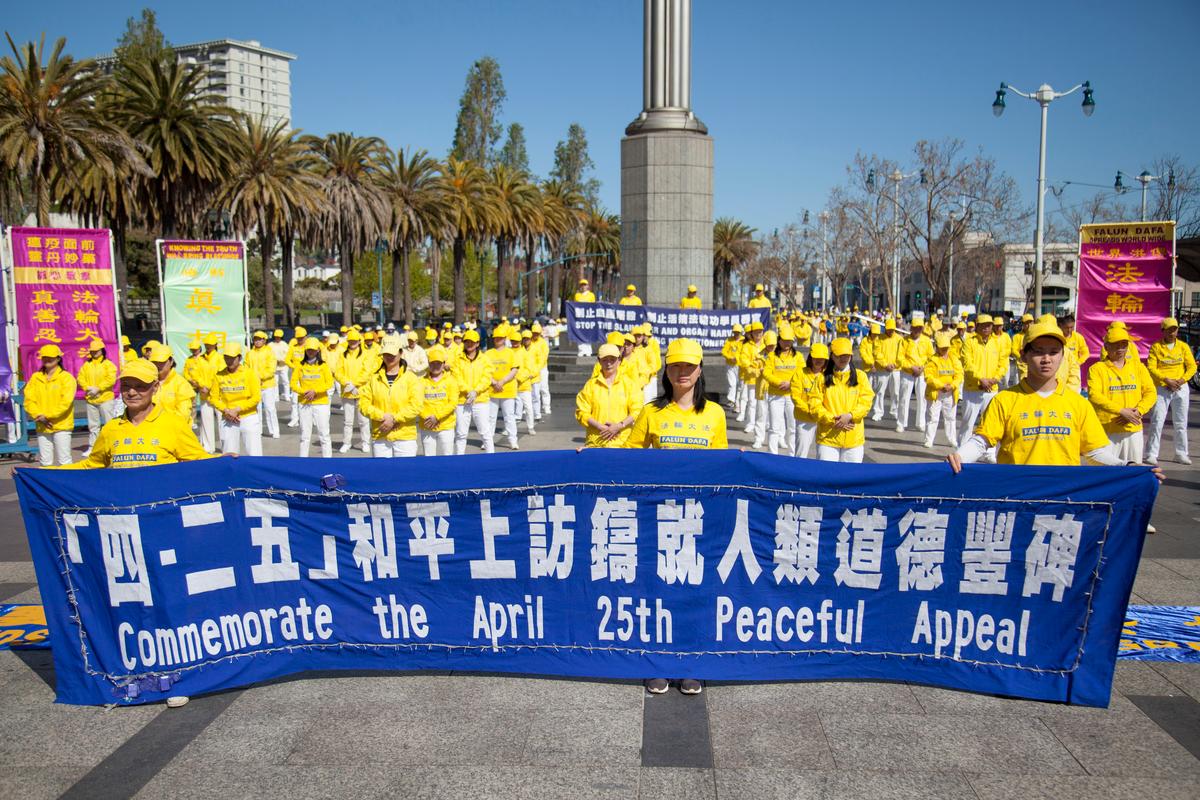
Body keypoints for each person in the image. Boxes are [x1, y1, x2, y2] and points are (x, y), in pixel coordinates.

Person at [947, 320, 1166, 488]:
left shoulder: (1078, 404)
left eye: (1053, 352)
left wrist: (1127, 466)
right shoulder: (1005, 400)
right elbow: (981, 442)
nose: (1046, 359)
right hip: (1016, 493)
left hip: (1063, 496)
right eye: (1038, 352)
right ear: (1023, 356)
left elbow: (1095, 453)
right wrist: (959, 457)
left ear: (1063, 356)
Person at [627, 337, 725, 697]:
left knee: (695, 591)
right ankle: (656, 662)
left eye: (689, 366)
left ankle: (691, 664)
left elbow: (722, 467)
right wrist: (587, 456)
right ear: (665, 370)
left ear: (700, 370)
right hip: (659, 517)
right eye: (675, 366)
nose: (682, 373)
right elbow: (628, 459)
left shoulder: (714, 414)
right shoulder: (651, 412)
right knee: (657, 590)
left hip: (698, 520)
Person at [1086, 325, 1154, 465]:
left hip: (1133, 429)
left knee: (1133, 470)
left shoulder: (1138, 367)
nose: (1121, 349)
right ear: (1106, 347)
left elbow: (1150, 392)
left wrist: (1139, 410)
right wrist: (1121, 411)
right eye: (1116, 345)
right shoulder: (1097, 369)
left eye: (1124, 344)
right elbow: (1094, 395)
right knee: (1106, 473)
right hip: (1107, 429)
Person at [814, 338, 874, 462]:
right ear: (832, 356)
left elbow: (866, 402)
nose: (843, 358)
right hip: (828, 438)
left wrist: (850, 416)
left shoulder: (860, 377)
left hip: (853, 438)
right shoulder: (821, 378)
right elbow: (815, 405)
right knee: (827, 478)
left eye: (847, 355)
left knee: (851, 479)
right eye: (839, 355)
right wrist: (833, 420)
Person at [1145, 316, 1196, 465]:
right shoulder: (1156, 347)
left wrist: (1181, 380)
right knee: (1157, 421)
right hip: (1162, 387)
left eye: (1174, 329)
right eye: (1169, 330)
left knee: (1181, 422)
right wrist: (1166, 379)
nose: (1172, 333)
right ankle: (1151, 454)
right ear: (1163, 331)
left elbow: (1192, 366)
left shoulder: (1183, 346)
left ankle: (1181, 453)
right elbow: (1151, 367)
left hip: (1180, 387)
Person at [359, 337, 420, 457]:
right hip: (380, 435)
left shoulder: (411, 378)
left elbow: (416, 406)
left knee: (405, 474)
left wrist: (394, 419)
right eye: (386, 353)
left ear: (401, 352)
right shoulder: (373, 379)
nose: (389, 357)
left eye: (393, 353)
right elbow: (363, 404)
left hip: (405, 437)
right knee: (382, 475)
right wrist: (382, 416)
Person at [575, 343, 643, 447]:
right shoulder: (591, 385)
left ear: (619, 360)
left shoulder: (629, 384)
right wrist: (599, 426)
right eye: (605, 360)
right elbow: (582, 412)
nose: (609, 363)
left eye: (612, 359)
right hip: (596, 442)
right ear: (599, 361)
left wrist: (619, 426)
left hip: (622, 443)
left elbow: (637, 411)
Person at [957, 314, 1006, 459]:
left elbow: (1003, 363)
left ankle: (989, 453)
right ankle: (962, 454)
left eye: (989, 325)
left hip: (991, 389)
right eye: (983, 325)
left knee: (990, 423)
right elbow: (967, 363)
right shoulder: (969, 342)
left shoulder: (997, 342)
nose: (986, 328)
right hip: (973, 389)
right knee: (968, 422)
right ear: (977, 326)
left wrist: (994, 379)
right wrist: (981, 379)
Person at [24, 344, 78, 466]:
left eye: (51, 357)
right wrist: (38, 415)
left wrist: (47, 416)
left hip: (61, 425)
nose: (47, 360)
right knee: (45, 461)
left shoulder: (67, 378)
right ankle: (45, 485)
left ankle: (67, 484)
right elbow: (29, 399)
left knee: (64, 461)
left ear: (58, 358)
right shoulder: (35, 378)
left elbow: (66, 402)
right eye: (44, 357)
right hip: (42, 425)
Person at [208, 342, 263, 456]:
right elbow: (213, 398)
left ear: (239, 358)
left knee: (254, 454)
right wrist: (227, 411)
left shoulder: (250, 374)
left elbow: (256, 397)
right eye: (227, 357)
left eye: (232, 358)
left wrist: (238, 409)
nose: (229, 361)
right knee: (229, 455)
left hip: (248, 417)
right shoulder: (219, 375)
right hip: (228, 418)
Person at [451, 329, 494, 455]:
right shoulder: (457, 359)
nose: (469, 344)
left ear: (477, 343)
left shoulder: (485, 359)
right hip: (462, 400)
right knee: (461, 433)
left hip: (480, 400)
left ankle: (492, 458)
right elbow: (456, 377)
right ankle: (460, 460)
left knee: (485, 432)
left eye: (472, 342)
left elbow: (487, 378)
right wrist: (468, 391)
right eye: (467, 342)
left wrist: (476, 391)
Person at [290, 338, 334, 458]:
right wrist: (304, 392)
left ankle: (327, 461)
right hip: (305, 403)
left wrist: (315, 391)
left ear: (317, 351)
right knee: (305, 435)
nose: (311, 352)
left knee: (324, 434)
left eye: (313, 350)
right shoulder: (299, 365)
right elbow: (293, 384)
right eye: (308, 349)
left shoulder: (324, 366)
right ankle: (303, 461)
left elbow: (329, 383)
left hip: (321, 403)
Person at [415, 345, 459, 455]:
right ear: (428, 364)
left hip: (446, 426)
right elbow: (416, 403)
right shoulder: (421, 382)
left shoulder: (451, 381)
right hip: (427, 425)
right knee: (429, 460)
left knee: (447, 458)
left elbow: (452, 403)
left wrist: (437, 417)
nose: (436, 366)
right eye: (432, 363)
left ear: (444, 364)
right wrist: (428, 418)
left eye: (438, 363)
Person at [336, 330, 375, 453]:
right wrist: (347, 383)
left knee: (363, 420)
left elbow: (367, 372)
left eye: (355, 341)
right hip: (347, 391)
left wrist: (355, 384)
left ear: (359, 341)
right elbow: (338, 372)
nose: (353, 343)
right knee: (347, 421)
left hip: (361, 390)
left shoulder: (365, 354)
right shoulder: (343, 355)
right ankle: (346, 443)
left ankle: (365, 443)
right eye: (350, 341)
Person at [763, 324, 799, 455]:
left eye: (789, 340)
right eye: (784, 340)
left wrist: (790, 384)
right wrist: (779, 383)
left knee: (793, 427)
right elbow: (766, 373)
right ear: (779, 340)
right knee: (774, 427)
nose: (787, 343)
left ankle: (792, 456)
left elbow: (802, 373)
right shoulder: (772, 356)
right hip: (775, 395)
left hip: (792, 395)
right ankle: (772, 455)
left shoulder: (798, 356)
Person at [76, 338, 117, 454]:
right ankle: (92, 447)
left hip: (105, 399)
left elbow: (111, 379)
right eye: (92, 351)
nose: (94, 353)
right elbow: (80, 377)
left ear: (102, 350)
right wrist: (87, 388)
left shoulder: (108, 364)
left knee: (109, 424)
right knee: (93, 426)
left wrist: (99, 388)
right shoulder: (86, 365)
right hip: (91, 399)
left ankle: (111, 446)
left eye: (96, 351)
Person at [922, 333, 962, 448]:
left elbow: (959, 375)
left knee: (950, 417)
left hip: (950, 393)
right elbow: (928, 377)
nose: (944, 350)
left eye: (946, 347)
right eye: (942, 347)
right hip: (936, 393)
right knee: (932, 417)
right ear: (937, 347)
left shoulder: (954, 359)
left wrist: (952, 385)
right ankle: (929, 439)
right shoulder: (932, 360)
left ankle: (951, 439)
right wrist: (941, 386)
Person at [486, 325, 521, 450]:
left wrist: (502, 381)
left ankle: (513, 441)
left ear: (505, 339)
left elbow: (514, 369)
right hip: (492, 389)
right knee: (490, 417)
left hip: (508, 388)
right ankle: (487, 441)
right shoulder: (488, 353)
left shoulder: (511, 353)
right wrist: (494, 382)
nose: (498, 340)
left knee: (509, 416)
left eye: (501, 338)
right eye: (496, 338)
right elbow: (485, 371)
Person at [791, 342, 827, 459]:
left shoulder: (829, 375)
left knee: (823, 454)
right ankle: (797, 475)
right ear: (810, 358)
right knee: (801, 452)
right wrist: (810, 411)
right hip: (804, 418)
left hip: (824, 420)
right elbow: (795, 397)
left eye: (822, 359)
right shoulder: (800, 373)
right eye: (815, 358)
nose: (818, 361)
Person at [896, 318, 933, 434]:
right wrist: (911, 367)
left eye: (920, 328)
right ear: (911, 328)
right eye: (915, 327)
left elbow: (931, 358)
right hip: (907, 373)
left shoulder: (927, 341)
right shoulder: (904, 341)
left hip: (922, 373)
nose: (917, 330)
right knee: (903, 399)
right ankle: (901, 423)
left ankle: (920, 423)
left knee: (922, 399)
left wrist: (923, 368)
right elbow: (899, 358)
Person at [147, 344, 196, 422]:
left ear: (171, 361)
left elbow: (183, 415)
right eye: (154, 361)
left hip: (173, 430)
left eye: (161, 361)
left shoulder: (181, 384)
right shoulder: (147, 382)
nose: (157, 364)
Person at [869, 318, 901, 422]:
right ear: (885, 328)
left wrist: (895, 365)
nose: (890, 331)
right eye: (889, 329)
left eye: (892, 329)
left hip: (895, 370)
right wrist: (885, 364)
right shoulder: (879, 339)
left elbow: (901, 354)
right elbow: (876, 353)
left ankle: (895, 411)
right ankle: (878, 412)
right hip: (882, 370)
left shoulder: (899, 339)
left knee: (895, 392)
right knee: (879, 391)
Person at [573, 279, 597, 357]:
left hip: (588, 318)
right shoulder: (577, 295)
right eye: (581, 285)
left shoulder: (591, 295)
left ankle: (588, 351)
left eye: (584, 285)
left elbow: (593, 306)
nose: (583, 286)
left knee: (588, 334)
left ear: (587, 286)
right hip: (579, 319)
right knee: (579, 333)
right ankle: (581, 350)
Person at [722, 324, 743, 405]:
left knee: (740, 384)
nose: (736, 334)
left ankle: (739, 400)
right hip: (730, 365)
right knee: (732, 383)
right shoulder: (729, 340)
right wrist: (730, 357)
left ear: (741, 332)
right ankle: (731, 400)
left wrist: (738, 359)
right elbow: (724, 351)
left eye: (738, 332)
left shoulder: (744, 341)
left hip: (740, 365)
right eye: (735, 332)